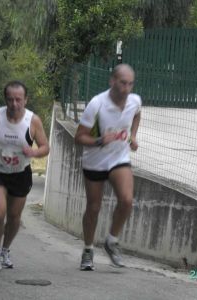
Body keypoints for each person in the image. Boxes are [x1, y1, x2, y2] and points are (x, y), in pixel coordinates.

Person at [0, 80, 49, 272]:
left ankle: (6, 249)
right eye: (10, 100)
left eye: (18, 100)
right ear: (5, 100)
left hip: (20, 174)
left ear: (26, 100)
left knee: (14, 217)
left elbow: (45, 147)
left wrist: (34, 153)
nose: (14, 104)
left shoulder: (33, 121)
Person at [74, 64, 141, 271]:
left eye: (130, 84)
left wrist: (133, 136)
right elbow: (79, 137)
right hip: (95, 159)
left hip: (119, 157)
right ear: (112, 81)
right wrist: (100, 140)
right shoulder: (97, 104)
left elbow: (137, 114)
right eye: (122, 83)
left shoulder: (135, 101)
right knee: (94, 207)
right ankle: (87, 249)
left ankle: (111, 241)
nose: (126, 88)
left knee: (127, 200)